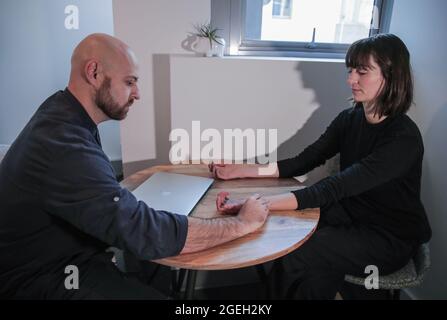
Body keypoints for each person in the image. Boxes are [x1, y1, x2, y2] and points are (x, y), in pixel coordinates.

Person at [0, 33, 269, 300]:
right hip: (41, 276)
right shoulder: (63, 143)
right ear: (93, 72)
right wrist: (241, 223)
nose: (137, 94)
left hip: (64, 255)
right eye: (130, 82)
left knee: (151, 261)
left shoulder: (63, 114)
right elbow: (141, 231)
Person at [210, 34, 432, 299]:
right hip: (352, 215)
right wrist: (239, 170)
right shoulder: (349, 119)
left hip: (389, 236)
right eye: (350, 71)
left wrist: (255, 202)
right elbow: (303, 161)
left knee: (304, 251)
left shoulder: (402, 138)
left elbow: (335, 187)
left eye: (362, 71)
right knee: (286, 238)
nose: (351, 80)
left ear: (392, 74)